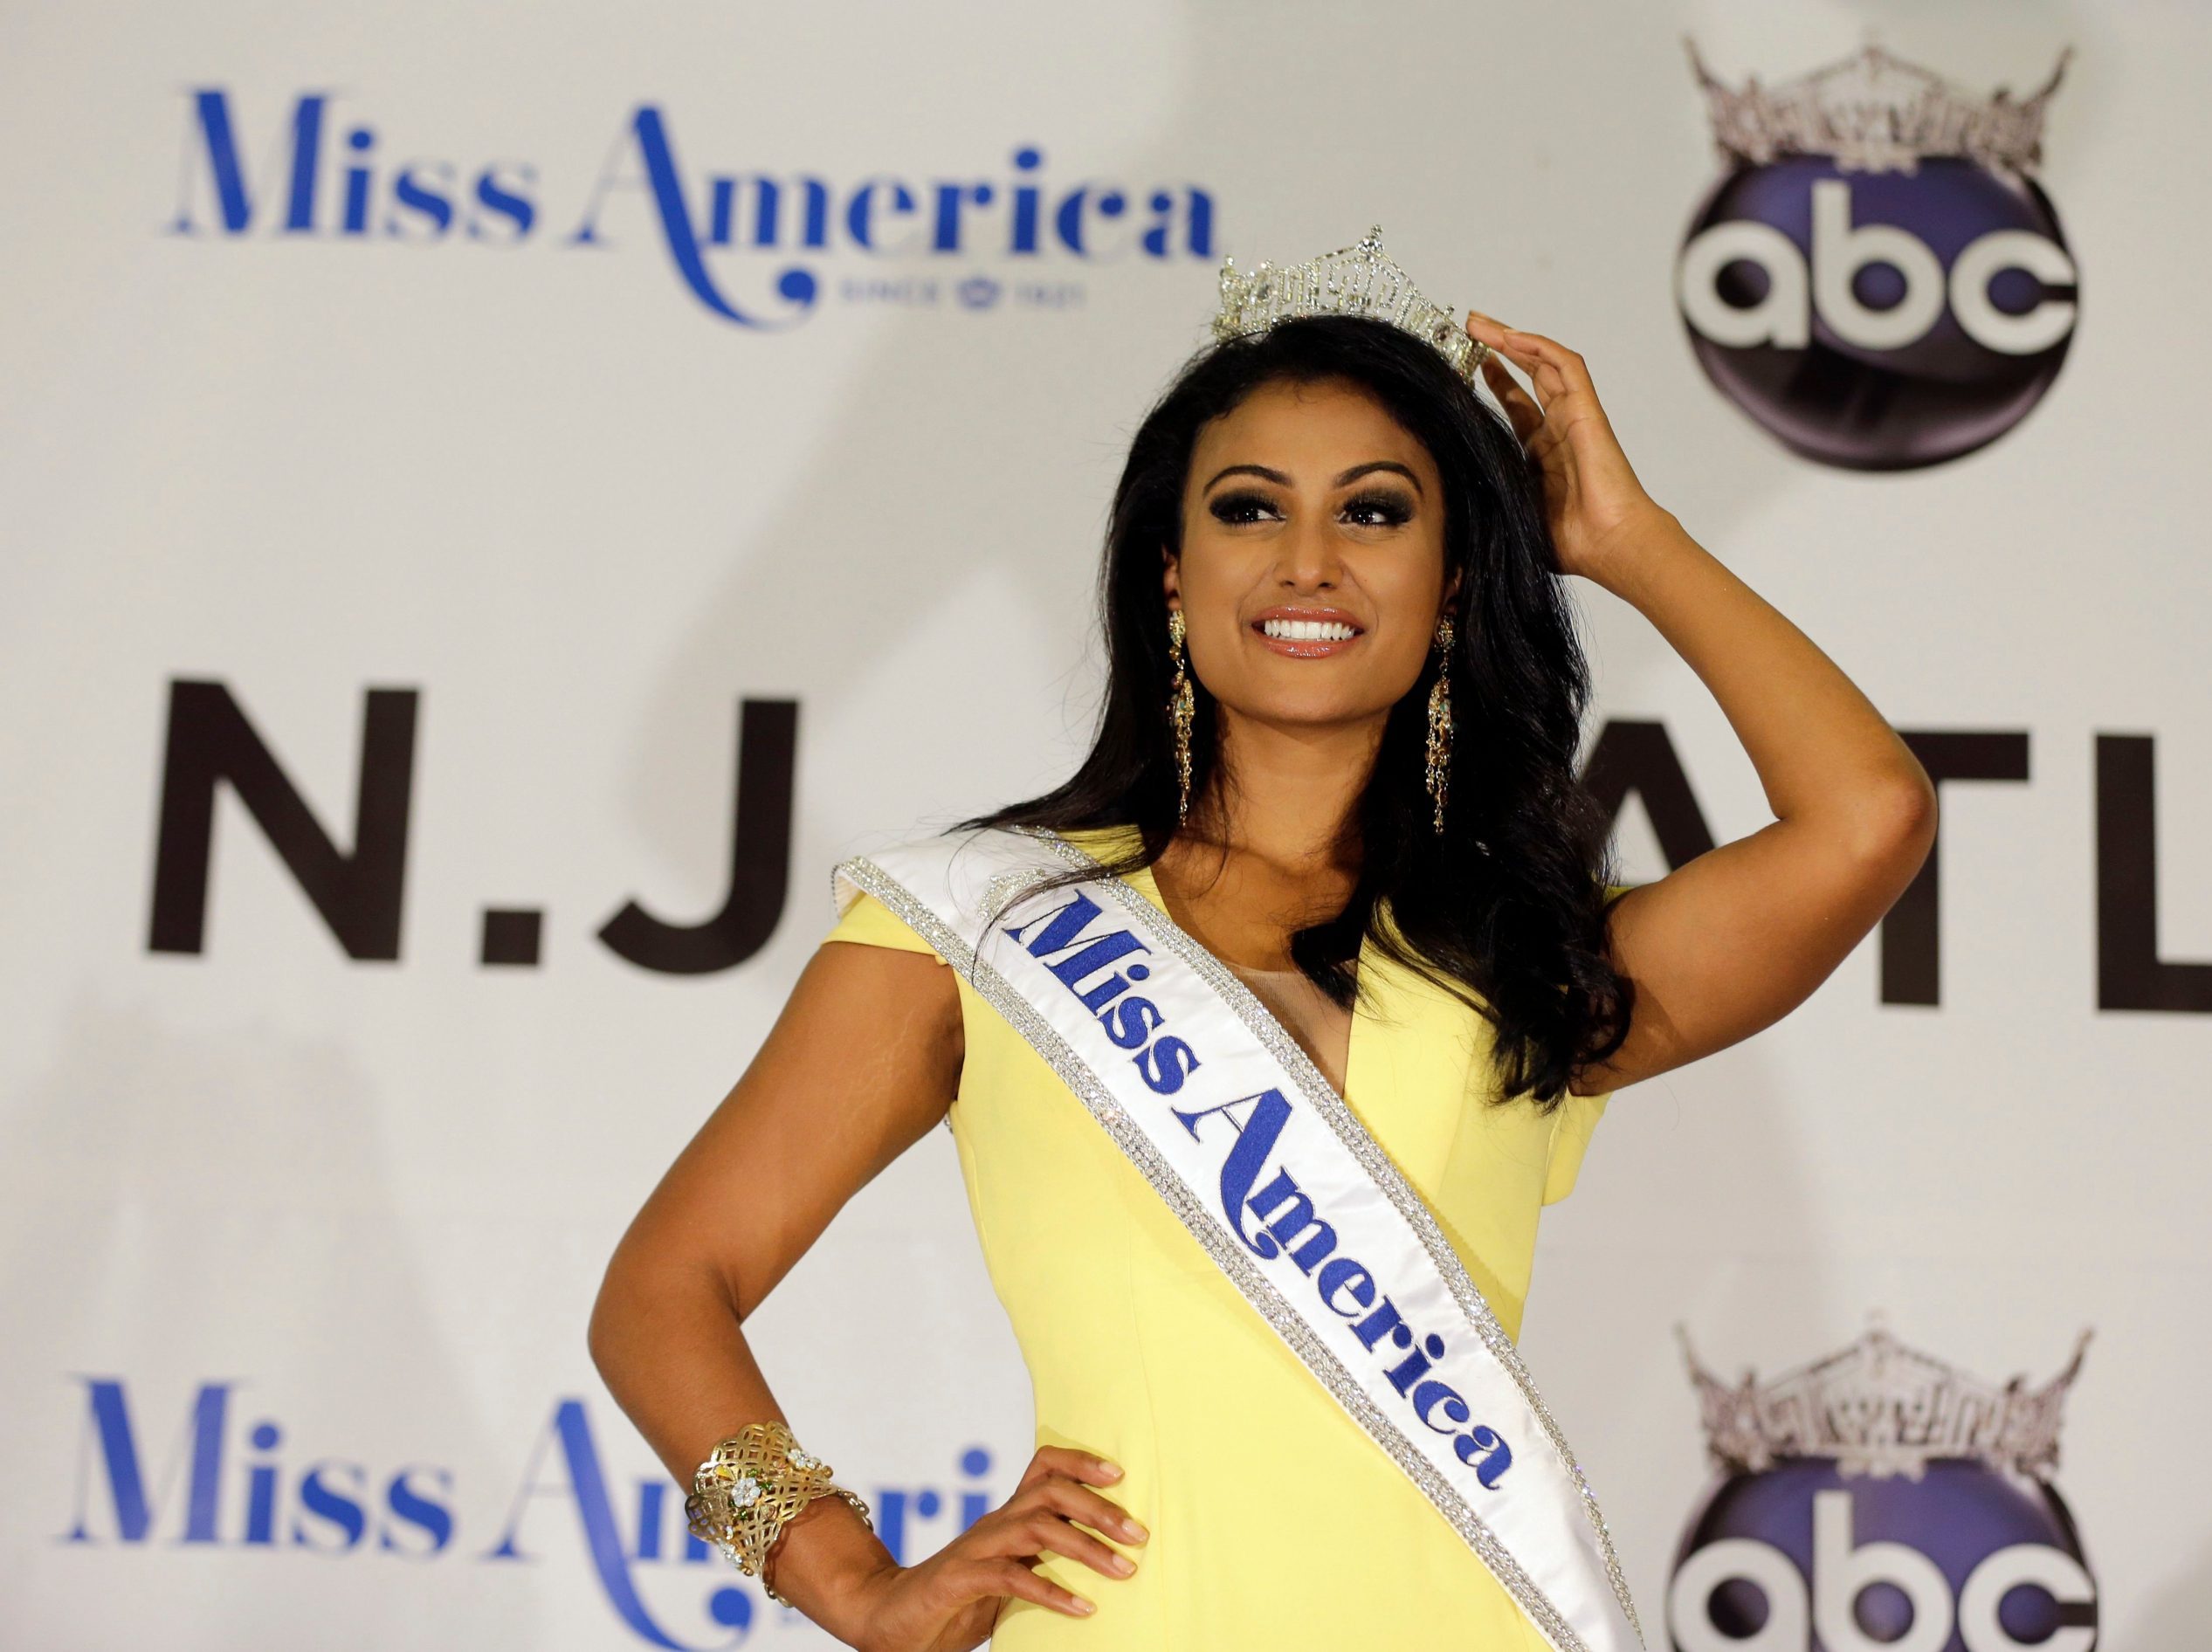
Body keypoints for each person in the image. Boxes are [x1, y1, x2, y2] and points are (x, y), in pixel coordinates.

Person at [588, 231, 1937, 1652]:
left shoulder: (1522, 955)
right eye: (1248, 508)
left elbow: (1870, 820)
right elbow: (664, 1291)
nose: (1307, 561)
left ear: (1457, 579)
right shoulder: (983, 926)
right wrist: (846, 1579)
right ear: (1170, 571)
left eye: (1374, 514)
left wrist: (1624, 542)